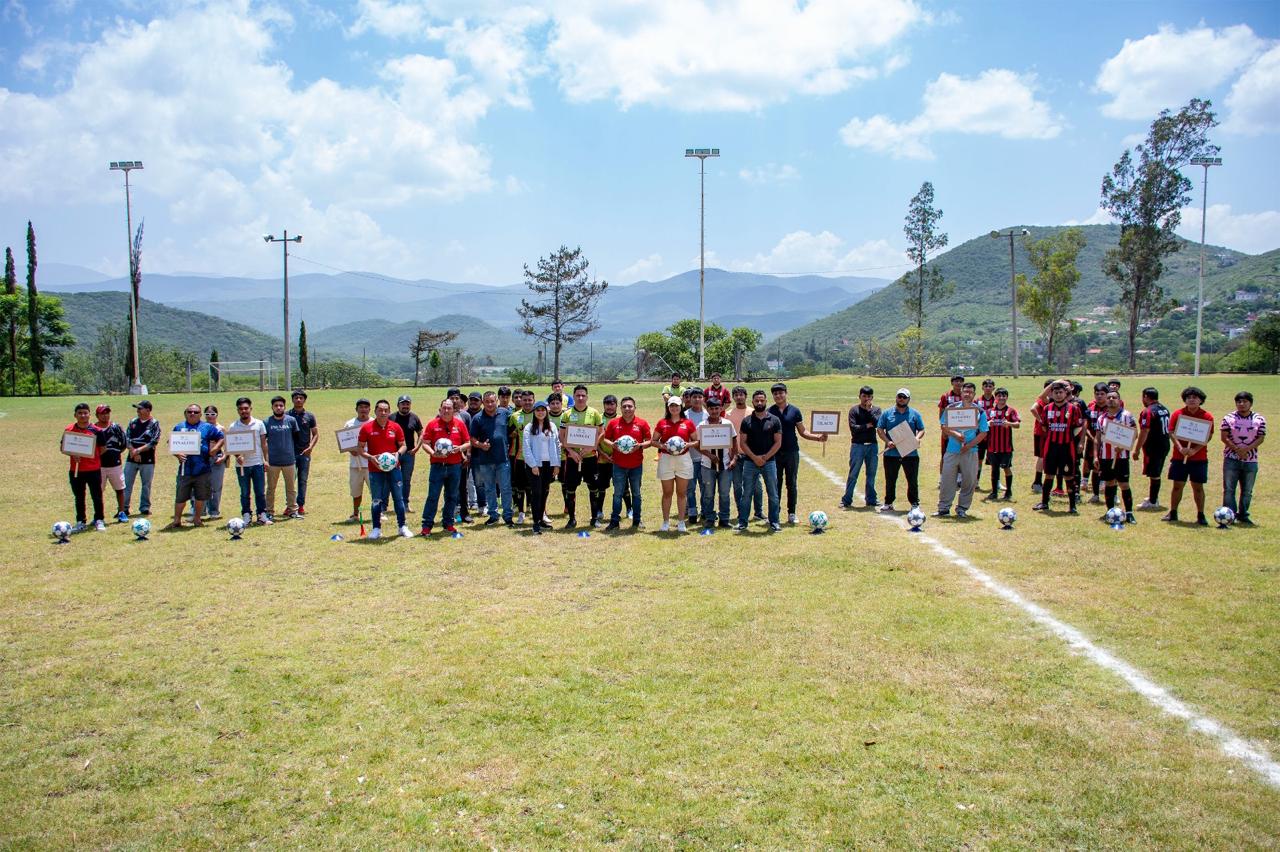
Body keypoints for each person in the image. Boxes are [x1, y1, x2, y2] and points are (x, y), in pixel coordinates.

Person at [768, 382, 828, 523]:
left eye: (781, 393)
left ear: (786, 393)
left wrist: (818, 438)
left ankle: (792, 513)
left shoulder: (795, 411)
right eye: (775, 394)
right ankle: (775, 514)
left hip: (791, 452)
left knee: (791, 483)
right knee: (775, 484)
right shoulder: (769, 412)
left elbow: (803, 432)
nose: (778, 396)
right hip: (774, 454)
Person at [359, 399, 411, 539]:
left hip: (394, 469)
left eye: (386, 410)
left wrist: (398, 454)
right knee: (376, 499)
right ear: (375, 411)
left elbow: (403, 445)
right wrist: (371, 457)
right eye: (380, 410)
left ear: (389, 412)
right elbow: (360, 448)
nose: (383, 413)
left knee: (398, 499)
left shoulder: (395, 427)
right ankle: (376, 528)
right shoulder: (366, 428)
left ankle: (402, 526)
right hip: (375, 470)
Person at [936, 382, 988, 518]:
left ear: (974, 394)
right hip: (952, 450)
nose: (967, 394)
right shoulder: (951, 408)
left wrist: (969, 445)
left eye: (970, 392)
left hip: (970, 451)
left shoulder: (979, 411)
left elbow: (983, 432)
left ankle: (962, 508)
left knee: (969, 481)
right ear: (961, 393)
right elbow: (943, 425)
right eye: (965, 391)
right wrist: (956, 434)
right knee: (947, 480)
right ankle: (943, 508)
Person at [168, 402, 224, 529]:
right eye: (190, 412)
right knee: (181, 496)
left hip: (203, 468)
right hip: (185, 469)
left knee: (201, 495)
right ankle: (177, 520)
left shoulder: (207, 427)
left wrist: (215, 449)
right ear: (185, 414)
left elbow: (221, 437)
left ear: (200, 414)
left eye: (196, 412)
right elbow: (171, 443)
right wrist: (177, 454)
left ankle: (197, 519)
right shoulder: (179, 427)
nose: (192, 414)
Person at [1163, 386, 1213, 526]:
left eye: (1195, 398)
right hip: (1180, 457)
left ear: (1201, 400)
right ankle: (1173, 512)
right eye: (1188, 397)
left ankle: (1201, 514)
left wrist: (1195, 450)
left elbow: (1208, 436)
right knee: (1177, 485)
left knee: (1198, 487)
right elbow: (1171, 432)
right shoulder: (1177, 414)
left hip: (1199, 458)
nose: (1191, 400)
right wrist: (1180, 448)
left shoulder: (1207, 416)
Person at [1032, 380, 1084, 514]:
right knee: (1049, 474)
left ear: (1066, 393)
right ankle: (1044, 503)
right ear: (1052, 394)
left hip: (1067, 448)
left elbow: (1079, 426)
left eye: (1061, 392)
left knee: (1068, 476)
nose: (1058, 395)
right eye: (1056, 392)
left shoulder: (1073, 408)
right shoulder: (1047, 408)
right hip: (1051, 447)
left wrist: (1068, 436)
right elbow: (1044, 426)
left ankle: (1072, 506)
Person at [420, 398, 470, 536]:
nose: (446, 410)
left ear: (454, 410)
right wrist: (433, 453)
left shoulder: (459, 424)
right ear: (440, 409)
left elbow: (468, 442)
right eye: (444, 408)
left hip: (455, 466)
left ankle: (448, 523)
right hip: (437, 466)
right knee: (433, 496)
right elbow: (425, 443)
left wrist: (460, 448)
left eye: (449, 408)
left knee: (452, 496)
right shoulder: (432, 424)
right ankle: (427, 525)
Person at [558, 384, 605, 528]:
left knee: (594, 488)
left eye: (583, 395)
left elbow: (602, 433)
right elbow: (561, 436)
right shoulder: (566, 414)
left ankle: (594, 518)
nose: (580, 398)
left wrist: (592, 446)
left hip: (590, 458)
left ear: (587, 397)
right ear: (573, 396)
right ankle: (572, 519)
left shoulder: (594, 413)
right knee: (570, 488)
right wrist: (571, 451)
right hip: (573, 459)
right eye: (577, 395)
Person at [602, 396, 650, 530]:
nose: (627, 409)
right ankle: (614, 521)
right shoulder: (614, 423)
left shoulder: (642, 423)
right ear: (620, 408)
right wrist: (613, 445)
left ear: (635, 408)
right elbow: (606, 438)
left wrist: (639, 446)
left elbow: (649, 441)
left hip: (636, 465)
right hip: (618, 465)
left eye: (630, 406)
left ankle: (637, 520)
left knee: (636, 494)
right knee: (617, 494)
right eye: (624, 406)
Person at [737, 390, 782, 531]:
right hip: (750, 462)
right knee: (746, 493)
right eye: (757, 400)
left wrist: (765, 458)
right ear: (753, 402)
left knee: (773, 493)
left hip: (769, 462)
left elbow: (778, 442)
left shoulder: (774, 420)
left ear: (766, 401)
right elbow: (743, 443)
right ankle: (743, 522)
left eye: (762, 400)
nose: (759, 403)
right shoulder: (746, 421)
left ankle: (774, 521)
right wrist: (754, 458)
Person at [875, 388, 925, 513]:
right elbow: (880, 429)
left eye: (904, 397)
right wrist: (887, 441)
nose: (901, 399)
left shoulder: (915, 414)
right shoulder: (887, 413)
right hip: (891, 453)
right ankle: (888, 502)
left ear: (908, 399)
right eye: (899, 396)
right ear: (896, 397)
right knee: (890, 479)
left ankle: (914, 504)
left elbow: (921, 429)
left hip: (910, 453)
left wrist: (917, 438)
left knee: (912, 480)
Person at [653, 395, 698, 532]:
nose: (674, 408)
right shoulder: (662, 423)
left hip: (683, 459)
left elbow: (696, 441)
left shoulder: (688, 423)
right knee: (667, 493)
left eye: (676, 405)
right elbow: (654, 441)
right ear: (668, 407)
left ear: (681, 407)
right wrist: (664, 446)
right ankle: (666, 522)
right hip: (666, 459)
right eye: (671, 405)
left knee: (681, 493)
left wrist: (687, 445)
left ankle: (681, 522)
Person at [470, 391, 514, 526]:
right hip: (485, 460)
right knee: (489, 488)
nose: (490, 404)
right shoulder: (477, 418)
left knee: (505, 488)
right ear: (483, 402)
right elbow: (472, 439)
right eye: (487, 401)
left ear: (497, 401)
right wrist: (481, 445)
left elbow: (513, 429)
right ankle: (493, 515)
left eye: (492, 401)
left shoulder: (505, 414)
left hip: (503, 459)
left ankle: (508, 516)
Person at [1221, 390, 1265, 526]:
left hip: (1251, 459)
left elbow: (1261, 438)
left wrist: (1246, 449)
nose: (1241, 404)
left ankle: (1243, 514)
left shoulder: (1259, 419)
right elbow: (1224, 437)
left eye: (1245, 401)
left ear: (1250, 403)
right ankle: (1230, 515)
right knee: (1229, 489)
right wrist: (1237, 450)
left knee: (1247, 491)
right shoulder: (1228, 418)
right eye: (1239, 402)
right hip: (1231, 458)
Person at [1095, 389, 1137, 524]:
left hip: (1121, 457)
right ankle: (1110, 511)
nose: (1111, 400)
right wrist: (1096, 456)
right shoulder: (1101, 418)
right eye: (1109, 398)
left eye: (1114, 397)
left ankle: (1129, 513)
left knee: (1124, 484)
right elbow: (1097, 439)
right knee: (1109, 483)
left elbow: (1135, 433)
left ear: (1119, 400)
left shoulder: (1127, 416)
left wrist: (1123, 446)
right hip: (1105, 456)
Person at [227, 396, 271, 525]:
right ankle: (246, 515)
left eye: (246, 408)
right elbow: (231, 446)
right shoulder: (234, 426)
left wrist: (266, 460)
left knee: (260, 491)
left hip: (257, 463)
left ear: (250, 409)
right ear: (237, 410)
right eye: (241, 409)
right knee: (245, 492)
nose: (244, 411)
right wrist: (237, 456)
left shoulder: (259, 424)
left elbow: (264, 444)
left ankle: (262, 515)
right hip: (242, 466)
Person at [696, 396, 737, 528]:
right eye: (711, 409)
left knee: (724, 493)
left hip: (725, 465)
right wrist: (709, 455)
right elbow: (697, 445)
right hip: (707, 465)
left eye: (716, 408)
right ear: (707, 409)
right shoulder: (702, 425)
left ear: (720, 409)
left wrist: (734, 458)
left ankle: (724, 518)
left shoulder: (727, 423)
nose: (714, 411)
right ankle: (709, 518)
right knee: (708, 494)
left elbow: (734, 442)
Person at [64, 402, 105, 532]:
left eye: (85, 413)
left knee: (97, 496)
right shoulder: (69, 430)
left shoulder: (97, 431)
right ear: (75, 415)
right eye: (80, 413)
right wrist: (73, 454)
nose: (83, 415)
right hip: (76, 470)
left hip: (93, 469)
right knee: (79, 497)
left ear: (89, 414)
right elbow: (63, 447)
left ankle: (99, 519)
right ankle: (81, 521)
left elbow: (103, 448)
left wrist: (91, 455)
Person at [521, 399, 560, 535]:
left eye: (543, 410)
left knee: (544, 492)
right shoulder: (529, 427)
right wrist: (533, 465)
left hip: (549, 464)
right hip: (535, 465)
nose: (540, 412)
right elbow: (526, 448)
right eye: (538, 410)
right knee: (536, 493)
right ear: (534, 412)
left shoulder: (552, 426)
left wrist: (557, 464)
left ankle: (541, 519)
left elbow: (557, 446)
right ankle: (535, 523)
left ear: (546, 411)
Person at [724, 385, 763, 521]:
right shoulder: (728, 414)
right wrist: (731, 454)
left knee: (757, 486)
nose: (739, 397)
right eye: (736, 395)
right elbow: (727, 436)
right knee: (737, 486)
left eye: (741, 395)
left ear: (746, 397)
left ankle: (758, 512)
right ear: (733, 397)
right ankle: (742, 512)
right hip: (736, 456)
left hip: (751, 456)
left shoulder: (753, 412)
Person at [841, 385, 880, 509]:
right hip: (858, 446)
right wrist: (867, 426)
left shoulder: (876, 410)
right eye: (864, 396)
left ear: (872, 397)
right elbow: (854, 428)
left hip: (872, 446)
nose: (866, 399)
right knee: (853, 474)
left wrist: (869, 411)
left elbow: (877, 424)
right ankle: (846, 500)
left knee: (871, 474)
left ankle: (871, 499)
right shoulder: (854, 410)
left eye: (869, 396)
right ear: (859, 396)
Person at [264, 395, 300, 521]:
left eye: (281, 405)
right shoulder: (267, 422)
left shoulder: (291, 421)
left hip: (289, 461)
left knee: (291, 488)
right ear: (272, 407)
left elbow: (296, 437)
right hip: (273, 462)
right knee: (270, 488)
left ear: (284, 407)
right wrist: (266, 459)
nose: (278, 408)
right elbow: (263, 442)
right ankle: (269, 512)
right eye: (276, 406)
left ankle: (292, 510)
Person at [123, 399, 160, 518]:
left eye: (140, 408)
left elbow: (154, 441)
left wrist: (138, 450)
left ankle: (144, 507)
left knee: (146, 485)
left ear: (148, 410)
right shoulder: (133, 422)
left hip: (148, 460)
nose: (137, 411)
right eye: (137, 408)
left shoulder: (154, 423)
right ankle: (124, 508)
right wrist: (133, 451)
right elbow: (127, 438)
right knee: (126, 484)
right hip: (131, 458)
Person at [1136, 387, 1171, 509]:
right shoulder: (1164, 409)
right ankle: (1152, 497)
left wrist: (1137, 449)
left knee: (1154, 474)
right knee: (1155, 472)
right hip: (1164, 444)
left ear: (1146, 397)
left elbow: (1144, 431)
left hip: (1154, 446)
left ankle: (1153, 501)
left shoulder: (1148, 411)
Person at [982, 388, 1020, 501]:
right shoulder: (989, 411)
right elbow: (982, 424)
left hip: (1006, 447)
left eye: (1004, 396)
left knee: (1006, 468)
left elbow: (1017, 424)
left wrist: (1009, 423)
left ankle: (1008, 491)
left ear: (1007, 397)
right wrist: (988, 423)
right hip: (992, 446)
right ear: (996, 398)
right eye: (999, 396)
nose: (1001, 398)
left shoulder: (1010, 411)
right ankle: (994, 492)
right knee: (994, 469)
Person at [93, 404, 129, 522]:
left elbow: (123, 444)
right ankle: (98, 516)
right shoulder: (93, 429)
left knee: (120, 489)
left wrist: (115, 454)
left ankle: (121, 512)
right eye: (102, 413)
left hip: (115, 464)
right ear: (97, 415)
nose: (105, 416)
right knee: (98, 492)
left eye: (107, 413)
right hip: (98, 466)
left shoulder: (116, 427)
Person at [508, 391, 538, 524]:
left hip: (536, 458)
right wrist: (513, 434)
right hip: (520, 457)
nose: (527, 402)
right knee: (520, 486)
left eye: (529, 400)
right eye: (524, 400)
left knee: (535, 486)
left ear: (534, 400)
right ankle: (521, 512)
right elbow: (509, 433)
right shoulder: (514, 416)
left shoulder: (539, 414)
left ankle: (537, 511)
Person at [390, 395, 424, 510]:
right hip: (393, 454)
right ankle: (388, 504)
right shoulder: (391, 417)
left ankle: (405, 503)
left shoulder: (414, 417)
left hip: (409, 454)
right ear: (398, 405)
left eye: (407, 404)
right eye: (403, 404)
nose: (405, 406)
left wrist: (417, 448)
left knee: (406, 480)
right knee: (392, 479)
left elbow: (421, 433)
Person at [289, 390, 318, 515]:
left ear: (304, 400)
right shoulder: (287, 416)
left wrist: (310, 447)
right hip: (289, 454)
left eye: (301, 398)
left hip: (304, 453)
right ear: (292, 400)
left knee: (302, 480)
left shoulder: (310, 416)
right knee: (290, 481)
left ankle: (300, 505)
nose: (298, 400)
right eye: (296, 397)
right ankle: (290, 505)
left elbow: (315, 434)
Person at [344, 398, 373, 521]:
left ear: (370, 409)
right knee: (356, 491)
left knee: (376, 491)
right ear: (356, 409)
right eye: (361, 407)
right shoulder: (349, 424)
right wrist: (351, 450)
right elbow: (344, 441)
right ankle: (355, 514)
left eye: (366, 407)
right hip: (355, 464)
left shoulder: (374, 422)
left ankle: (379, 513)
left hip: (371, 463)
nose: (363, 409)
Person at [595, 394, 622, 523]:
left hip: (619, 459)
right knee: (601, 487)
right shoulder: (599, 419)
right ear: (604, 405)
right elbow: (594, 440)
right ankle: (599, 510)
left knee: (622, 487)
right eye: (607, 404)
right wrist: (602, 454)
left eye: (612, 404)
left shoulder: (622, 418)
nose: (609, 407)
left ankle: (629, 510)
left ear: (616, 405)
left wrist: (616, 454)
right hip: (602, 459)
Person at [683, 387, 708, 523]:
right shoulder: (684, 415)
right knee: (690, 488)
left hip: (705, 458)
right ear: (690, 399)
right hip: (689, 458)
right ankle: (692, 512)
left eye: (700, 397)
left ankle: (705, 511)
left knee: (705, 487)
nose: (697, 400)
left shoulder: (708, 415)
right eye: (694, 397)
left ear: (703, 399)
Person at [1083, 382, 1110, 504]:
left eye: (1102, 394)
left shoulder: (1111, 408)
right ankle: (1095, 494)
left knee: (1110, 468)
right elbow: (1086, 425)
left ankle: (1112, 494)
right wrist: (1092, 437)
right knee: (1095, 467)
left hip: (1108, 443)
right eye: (1097, 393)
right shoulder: (1090, 408)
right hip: (1092, 442)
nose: (1099, 396)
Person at [202, 405, 228, 519]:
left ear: (217, 415)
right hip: (203, 459)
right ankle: (201, 511)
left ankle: (214, 511)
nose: (210, 416)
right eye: (207, 414)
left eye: (212, 414)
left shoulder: (221, 428)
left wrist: (224, 457)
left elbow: (229, 445)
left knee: (216, 486)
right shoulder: (201, 428)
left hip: (217, 459)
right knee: (201, 485)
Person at [937, 375, 964, 473]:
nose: (958, 383)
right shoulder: (946, 396)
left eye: (960, 381)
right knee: (945, 454)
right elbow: (941, 413)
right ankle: (942, 477)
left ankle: (959, 477)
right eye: (956, 381)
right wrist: (943, 429)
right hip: (948, 429)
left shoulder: (965, 396)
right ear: (952, 383)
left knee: (961, 453)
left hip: (962, 430)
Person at [1030, 379, 1053, 493]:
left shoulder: (1055, 400)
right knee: (1042, 456)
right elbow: (1032, 408)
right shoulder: (1043, 400)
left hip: (1051, 433)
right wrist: (1041, 421)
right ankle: (1037, 482)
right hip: (1041, 433)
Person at [975, 379, 997, 482]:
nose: (988, 388)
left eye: (990, 386)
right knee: (979, 458)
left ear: (994, 388)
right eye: (986, 386)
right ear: (982, 387)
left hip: (994, 434)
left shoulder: (997, 401)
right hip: (979, 434)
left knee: (995, 459)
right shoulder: (976, 401)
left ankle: (996, 482)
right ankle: (976, 480)